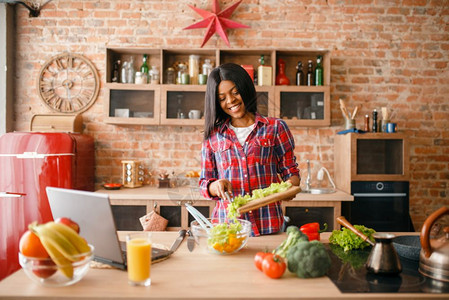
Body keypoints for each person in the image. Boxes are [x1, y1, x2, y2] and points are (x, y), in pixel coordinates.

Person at [199, 63, 300, 236]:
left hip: (269, 224)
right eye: (222, 98)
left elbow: (291, 172)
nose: (230, 101)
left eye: (235, 92)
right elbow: (203, 183)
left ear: (245, 88)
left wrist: (289, 188)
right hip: (228, 228)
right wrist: (215, 186)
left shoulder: (275, 128)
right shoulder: (213, 136)